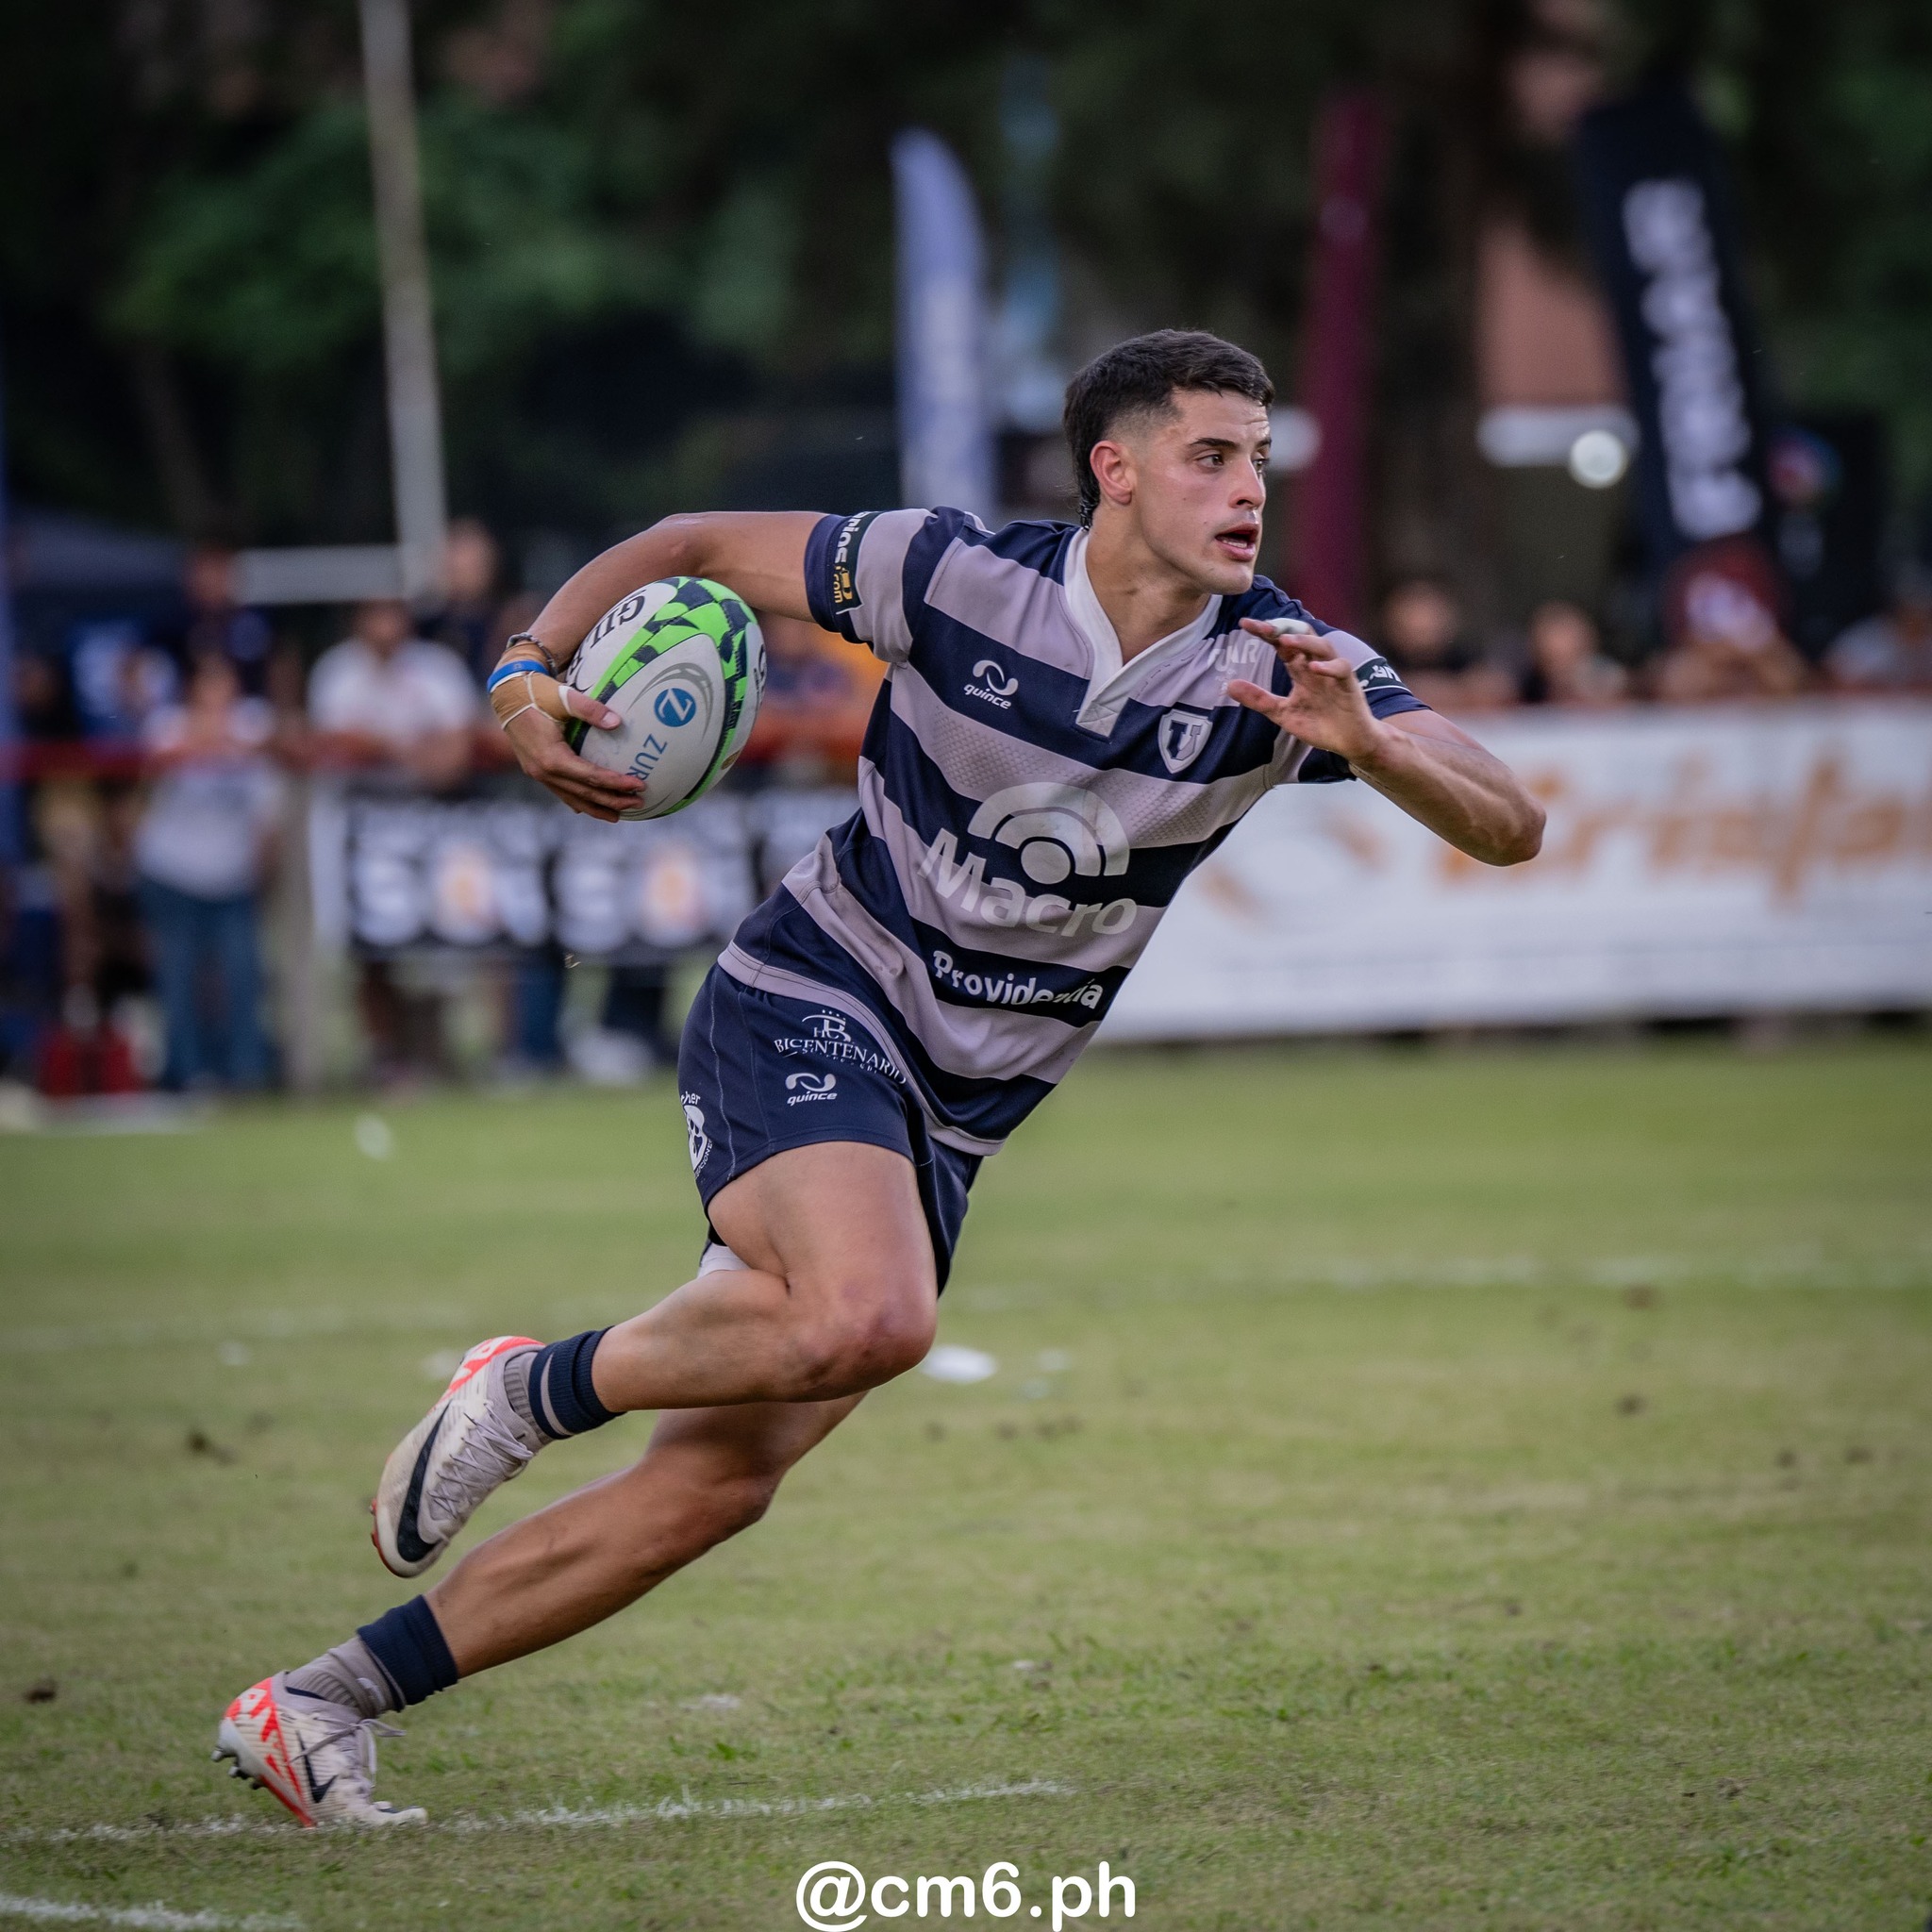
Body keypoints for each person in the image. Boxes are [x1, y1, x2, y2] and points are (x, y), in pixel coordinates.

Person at [212, 329, 1544, 1825]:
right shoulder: (948, 575)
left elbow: (1511, 823)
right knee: (874, 1317)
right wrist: (525, 669)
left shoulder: (1282, 664)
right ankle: (531, 1388)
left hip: (958, 1120)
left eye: (1260, 462)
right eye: (1211, 457)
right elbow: (691, 542)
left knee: (717, 1484)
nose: (1249, 492)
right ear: (1114, 470)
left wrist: (1373, 746)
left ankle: (317, 1704)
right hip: (816, 994)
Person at [308, 601, 481, 1085]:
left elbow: (457, 747)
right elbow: (337, 741)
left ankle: (436, 1052)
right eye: (375, 616)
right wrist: (404, 747)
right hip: (358, 831)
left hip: (428, 826)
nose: (386, 627)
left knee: (443, 940)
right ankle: (383, 1051)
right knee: (368, 947)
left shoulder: (437, 668)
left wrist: (401, 751)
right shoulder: (337, 672)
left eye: (393, 615)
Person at [134, 656, 281, 1090]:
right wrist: (217, 739)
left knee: (243, 975)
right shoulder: (167, 724)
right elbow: (156, 762)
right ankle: (186, 1072)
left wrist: (263, 872)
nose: (218, 699)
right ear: (193, 692)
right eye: (208, 689)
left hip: (232, 877)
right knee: (178, 978)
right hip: (172, 872)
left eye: (225, 689)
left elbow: (267, 810)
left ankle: (246, 1071)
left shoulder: (255, 724)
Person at [1377, 577, 1516, 710]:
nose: (1421, 623)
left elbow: (1495, 691)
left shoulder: (1464, 656)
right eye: (1411, 612)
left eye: (1430, 612)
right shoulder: (1379, 659)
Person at [1824, 563, 1932, 691]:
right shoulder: (1864, 639)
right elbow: (1830, 680)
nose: (1916, 617)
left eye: (1923, 611)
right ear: (1897, 607)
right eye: (1910, 608)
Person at [1517, 600, 1627, 707]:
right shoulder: (1527, 690)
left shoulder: (1610, 684)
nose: (1562, 669)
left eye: (1571, 658)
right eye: (1553, 660)